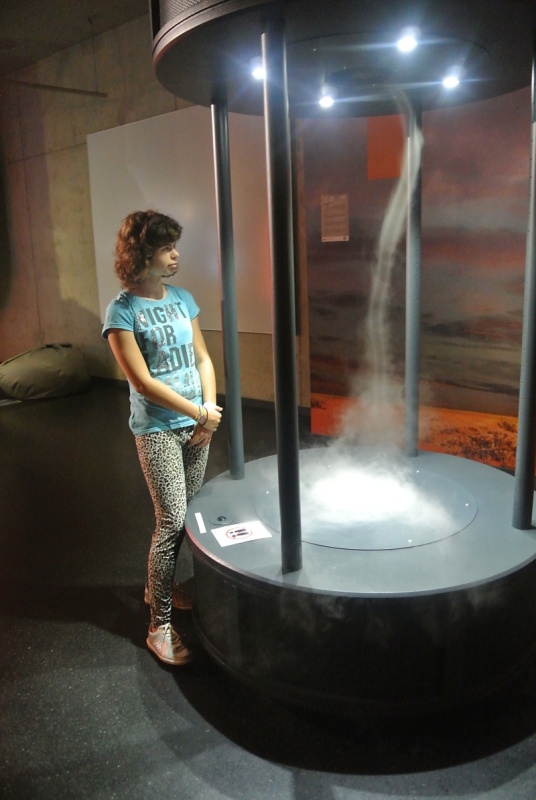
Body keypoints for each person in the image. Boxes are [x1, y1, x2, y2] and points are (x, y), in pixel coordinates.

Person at [102, 210, 222, 667]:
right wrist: (199, 413)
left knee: (187, 517)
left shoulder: (183, 298)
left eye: (174, 246)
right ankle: (159, 625)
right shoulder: (122, 311)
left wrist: (208, 411)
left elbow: (203, 359)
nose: (175, 255)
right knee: (171, 521)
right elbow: (143, 382)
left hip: (196, 422)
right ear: (142, 254)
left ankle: (161, 586)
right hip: (158, 429)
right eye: (166, 248)